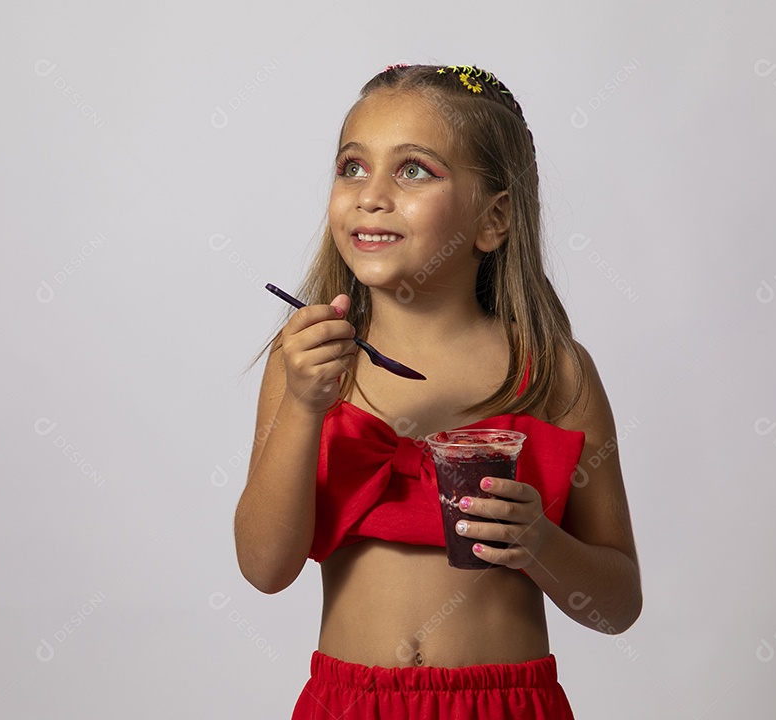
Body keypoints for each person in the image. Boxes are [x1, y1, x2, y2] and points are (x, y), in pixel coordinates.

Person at [234, 63, 641, 720]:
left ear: (493, 219)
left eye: (414, 170)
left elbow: (619, 605)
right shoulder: (306, 364)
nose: (370, 194)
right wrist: (306, 409)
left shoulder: (555, 373)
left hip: (509, 706)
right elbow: (265, 567)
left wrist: (541, 542)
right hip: (349, 703)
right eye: (352, 167)